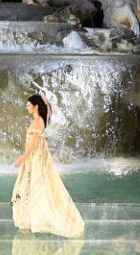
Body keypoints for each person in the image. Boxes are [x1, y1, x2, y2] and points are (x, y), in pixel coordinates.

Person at [11, 94, 85, 239]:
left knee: (37, 187)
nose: (26, 107)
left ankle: (43, 218)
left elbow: (33, 144)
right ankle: (30, 219)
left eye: (28, 105)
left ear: (36, 107)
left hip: (36, 158)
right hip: (33, 158)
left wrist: (22, 158)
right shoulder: (36, 120)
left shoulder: (39, 122)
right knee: (27, 187)